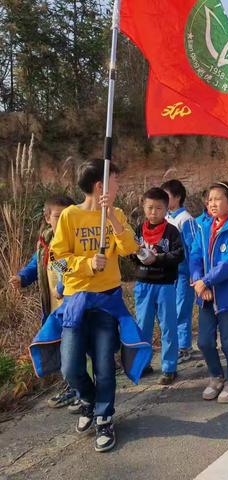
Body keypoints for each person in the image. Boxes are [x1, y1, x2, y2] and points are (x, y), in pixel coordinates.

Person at [46, 159, 150, 453]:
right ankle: (88, 400)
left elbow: (132, 249)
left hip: (107, 301)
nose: (119, 187)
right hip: (76, 302)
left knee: (105, 365)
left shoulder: (115, 213)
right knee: (70, 367)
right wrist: (87, 262)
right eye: (116, 181)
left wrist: (113, 219)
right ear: (100, 185)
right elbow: (58, 258)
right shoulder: (70, 216)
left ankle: (104, 416)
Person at [10, 195, 76, 409]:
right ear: (48, 218)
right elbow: (34, 264)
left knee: (76, 349)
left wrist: (63, 287)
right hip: (53, 309)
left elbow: (72, 272)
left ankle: (80, 389)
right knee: (61, 348)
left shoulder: (76, 242)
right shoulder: (46, 243)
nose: (63, 220)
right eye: (58, 216)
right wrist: (22, 277)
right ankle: (71, 387)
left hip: (74, 307)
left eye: (68, 215)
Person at [190, 181, 228, 403]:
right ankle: (216, 376)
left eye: (218, 199)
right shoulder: (204, 227)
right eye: (210, 199)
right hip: (205, 296)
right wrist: (198, 280)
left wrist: (205, 281)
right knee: (204, 341)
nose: (212, 203)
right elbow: (195, 255)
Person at [132, 187, 184, 384]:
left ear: (166, 209)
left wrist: (157, 258)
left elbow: (179, 255)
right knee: (142, 326)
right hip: (143, 283)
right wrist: (138, 256)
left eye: (159, 208)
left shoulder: (171, 232)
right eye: (150, 208)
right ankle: (143, 364)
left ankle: (169, 367)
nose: (154, 212)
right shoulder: (138, 230)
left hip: (165, 284)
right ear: (144, 207)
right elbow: (130, 251)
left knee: (168, 326)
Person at [161, 179, 198, 363]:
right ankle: (174, 345)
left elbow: (193, 249)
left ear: (177, 197)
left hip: (184, 274)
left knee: (181, 309)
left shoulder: (186, 220)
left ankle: (184, 347)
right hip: (168, 275)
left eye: (167, 196)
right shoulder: (165, 219)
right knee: (169, 311)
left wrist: (195, 274)